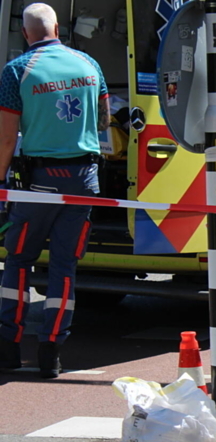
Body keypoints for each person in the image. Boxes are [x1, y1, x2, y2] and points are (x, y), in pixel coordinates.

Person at [0, 3, 108, 379]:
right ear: (58, 27)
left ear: (26, 32)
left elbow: (7, 136)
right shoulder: (89, 64)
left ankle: (9, 348)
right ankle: (51, 353)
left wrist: (1, 182)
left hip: (39, 182)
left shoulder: (17, 71)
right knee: (64, 267)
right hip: (85, 181)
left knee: (18, 261)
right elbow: (105, 118)